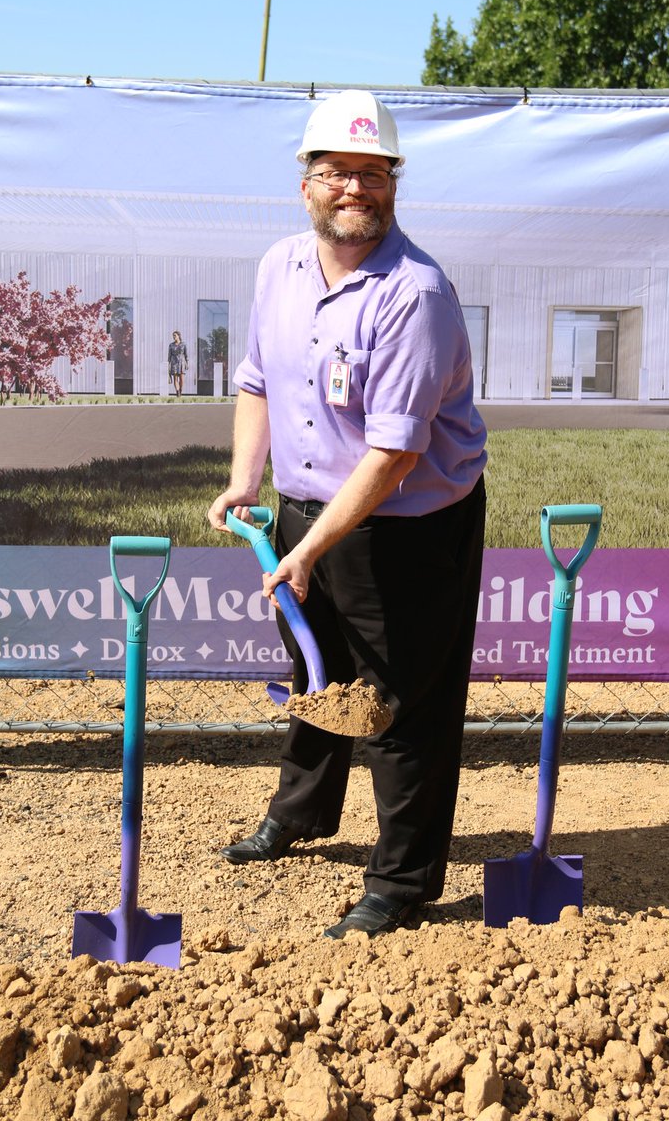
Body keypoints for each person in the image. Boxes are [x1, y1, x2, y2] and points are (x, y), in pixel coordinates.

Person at [208, 89, 487, 939]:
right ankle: (303, 812)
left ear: (393, 182)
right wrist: (244, 482)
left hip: (404, 526)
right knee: (315, 676)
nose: (354, 189)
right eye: (338, 173)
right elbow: (258, 380)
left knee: (400, 704)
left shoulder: (415, 294)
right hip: (305, 512)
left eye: (373, 173)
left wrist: (313, 547)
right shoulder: (280, 265)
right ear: (307, 183)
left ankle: (402, 883)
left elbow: (394, 454)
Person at [167, 331, 189, 397]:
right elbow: (169, 355)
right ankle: (177, 392)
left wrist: (187, 363)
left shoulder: (183, 344)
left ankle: (180, 389)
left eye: (175, 335)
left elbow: (186, 354)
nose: (174, 337)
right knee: (175, 378)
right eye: (173, 336)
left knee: (182, 379)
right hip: (174, 362)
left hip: (181, 362)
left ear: (178, 336)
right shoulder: (171, 345)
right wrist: (168, 364)